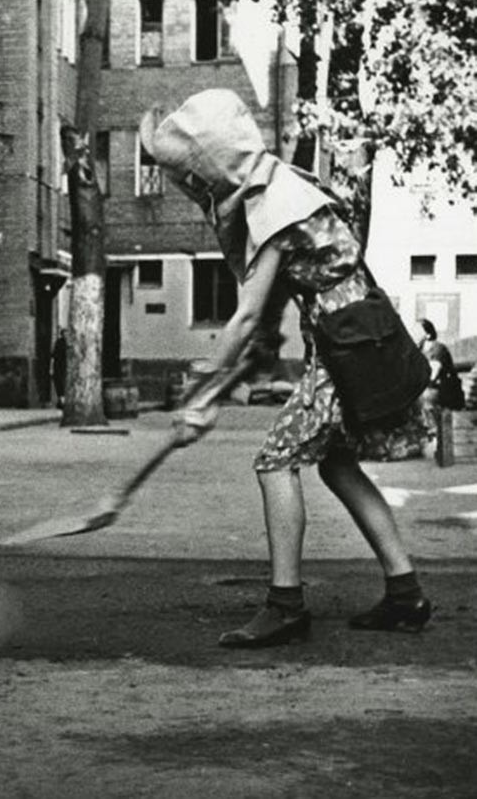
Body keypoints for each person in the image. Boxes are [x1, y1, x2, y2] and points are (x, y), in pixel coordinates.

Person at [145, 89, 432, 648]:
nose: (191, 190)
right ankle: (406, 595)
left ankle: (286, 606)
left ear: (210, 167)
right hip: (359, 336)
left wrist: (202, 391)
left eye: (190, 177)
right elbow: (269, 315)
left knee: (275, 460)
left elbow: (250, 312)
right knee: (339, 467)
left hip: (346, 344)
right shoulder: (287, 184)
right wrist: (218, 382)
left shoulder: (275, 208)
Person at [418, 318, 464, 429]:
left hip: (439, 391)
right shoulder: (420, 349)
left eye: (417, 332)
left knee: (427, 397)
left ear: (428, 335)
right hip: (429, 389)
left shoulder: (437, 349)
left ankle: (433, 432)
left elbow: (433, 375)